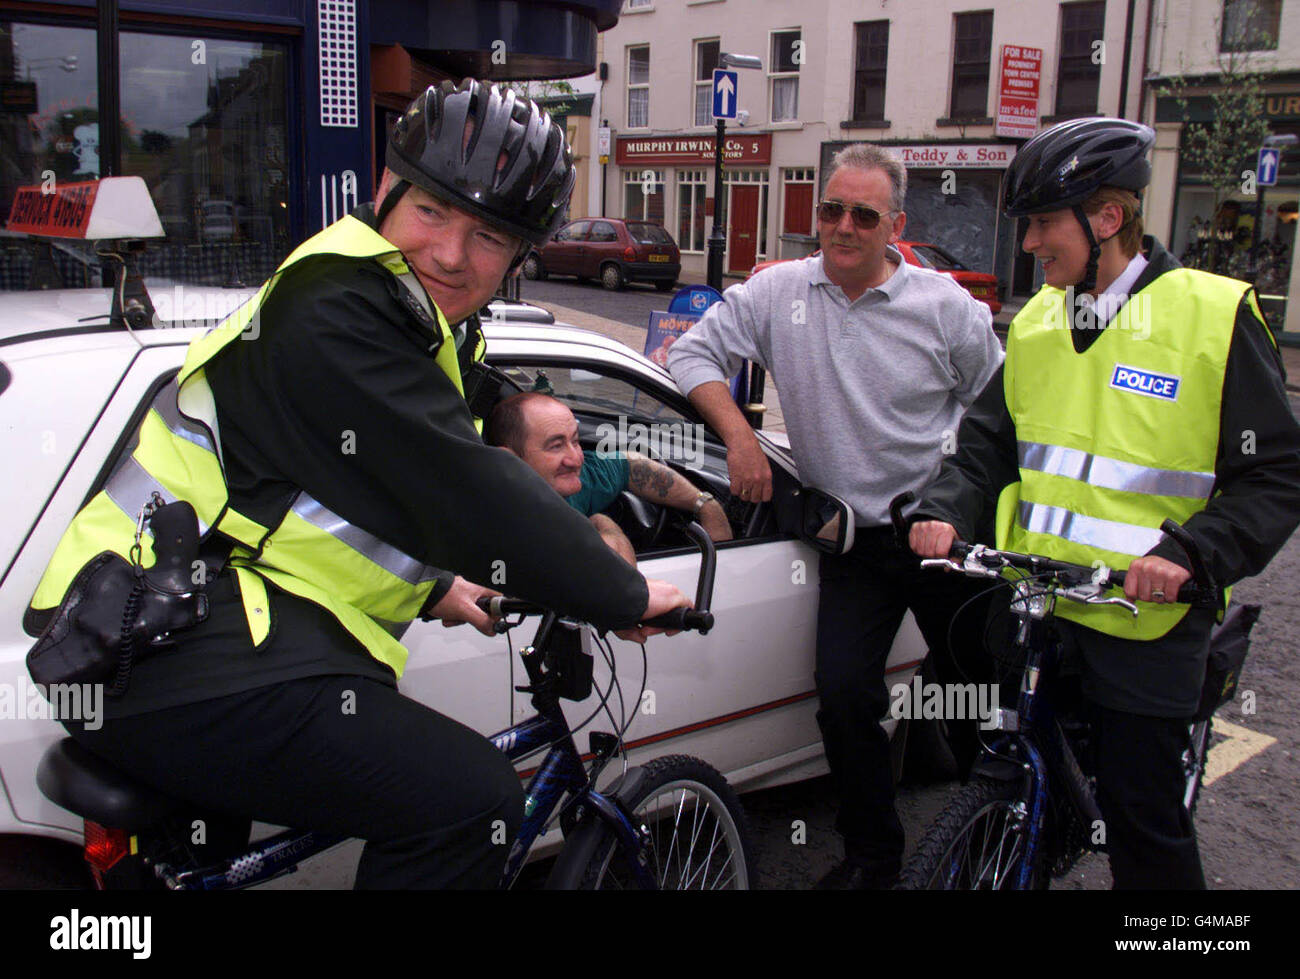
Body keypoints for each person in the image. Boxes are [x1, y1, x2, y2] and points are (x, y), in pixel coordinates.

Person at [26, 79, 689, 889]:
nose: (451, 252)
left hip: (178, 629)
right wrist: (620, 592)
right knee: (469, 801)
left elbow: (330, 491)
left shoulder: (419, 323)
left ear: (520, 257)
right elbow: (459, 484)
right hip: (152, 642)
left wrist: (435, 584)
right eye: (432, 212)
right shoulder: (336, 301)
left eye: (488, 235)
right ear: (384, 192)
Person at [907, 117, 1300, 889]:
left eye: (1043, 224)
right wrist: (947, 507)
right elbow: (987, 441)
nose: (1028, 245)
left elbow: (1278, 473)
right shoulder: (1039, 320)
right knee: (1003, 763)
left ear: (1108, 218)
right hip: (1039, 603)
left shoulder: (1212, 315)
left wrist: (1188, 554)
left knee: (1142, 825)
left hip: (1143, 620)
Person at [666, 142, 1004, 888]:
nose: (843, 226)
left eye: (863, 213)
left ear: (895, 225)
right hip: (854, 542)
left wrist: (962, 503)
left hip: (944, 535)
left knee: (978, 695)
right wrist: (741, 436)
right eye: (830, 209)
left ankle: (1002, 842)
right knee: (846, 698)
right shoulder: (777, 291)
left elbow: (999, 415)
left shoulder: (945, 307)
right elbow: (690, 356)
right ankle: (872, 858)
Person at [484, 391, 733, 564]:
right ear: (510, 459)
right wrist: (604, 526)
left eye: (575, 440)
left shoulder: (573, 481)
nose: (576, 459)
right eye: (556, 446)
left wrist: (704, 504)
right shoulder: (493, 526)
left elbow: (631, 466)